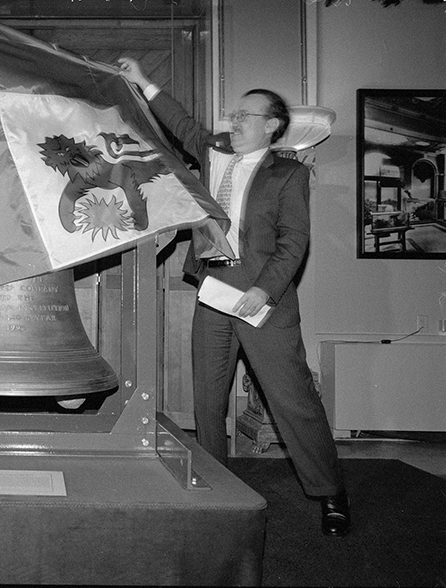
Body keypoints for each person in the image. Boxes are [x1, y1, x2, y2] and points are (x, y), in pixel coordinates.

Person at [118, 57, 351, 537]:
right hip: (213, 288)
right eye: (234, 115)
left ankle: (330, 492)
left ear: (271, 126)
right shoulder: (214, 150)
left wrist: (264, 289)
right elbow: (182, 123)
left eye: (246, 116)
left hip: (264, 297)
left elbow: (293, 243)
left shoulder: (288, 174)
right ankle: (214, 483)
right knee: (207, 399)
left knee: (293, 400)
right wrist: (142, 81)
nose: (234, 122)